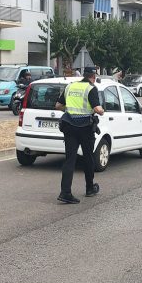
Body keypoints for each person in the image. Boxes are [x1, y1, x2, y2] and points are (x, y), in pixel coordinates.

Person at [55, 67, 104, 204]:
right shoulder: (91, 88)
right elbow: (97, 109)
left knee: (70, 159)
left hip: (69, 125)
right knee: (88, 157)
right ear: (93, 77)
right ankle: (89, 188)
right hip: (85, 128)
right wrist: (102, 111)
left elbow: (58, 105)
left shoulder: (70, 86)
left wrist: (70, 109)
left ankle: (65, 193)